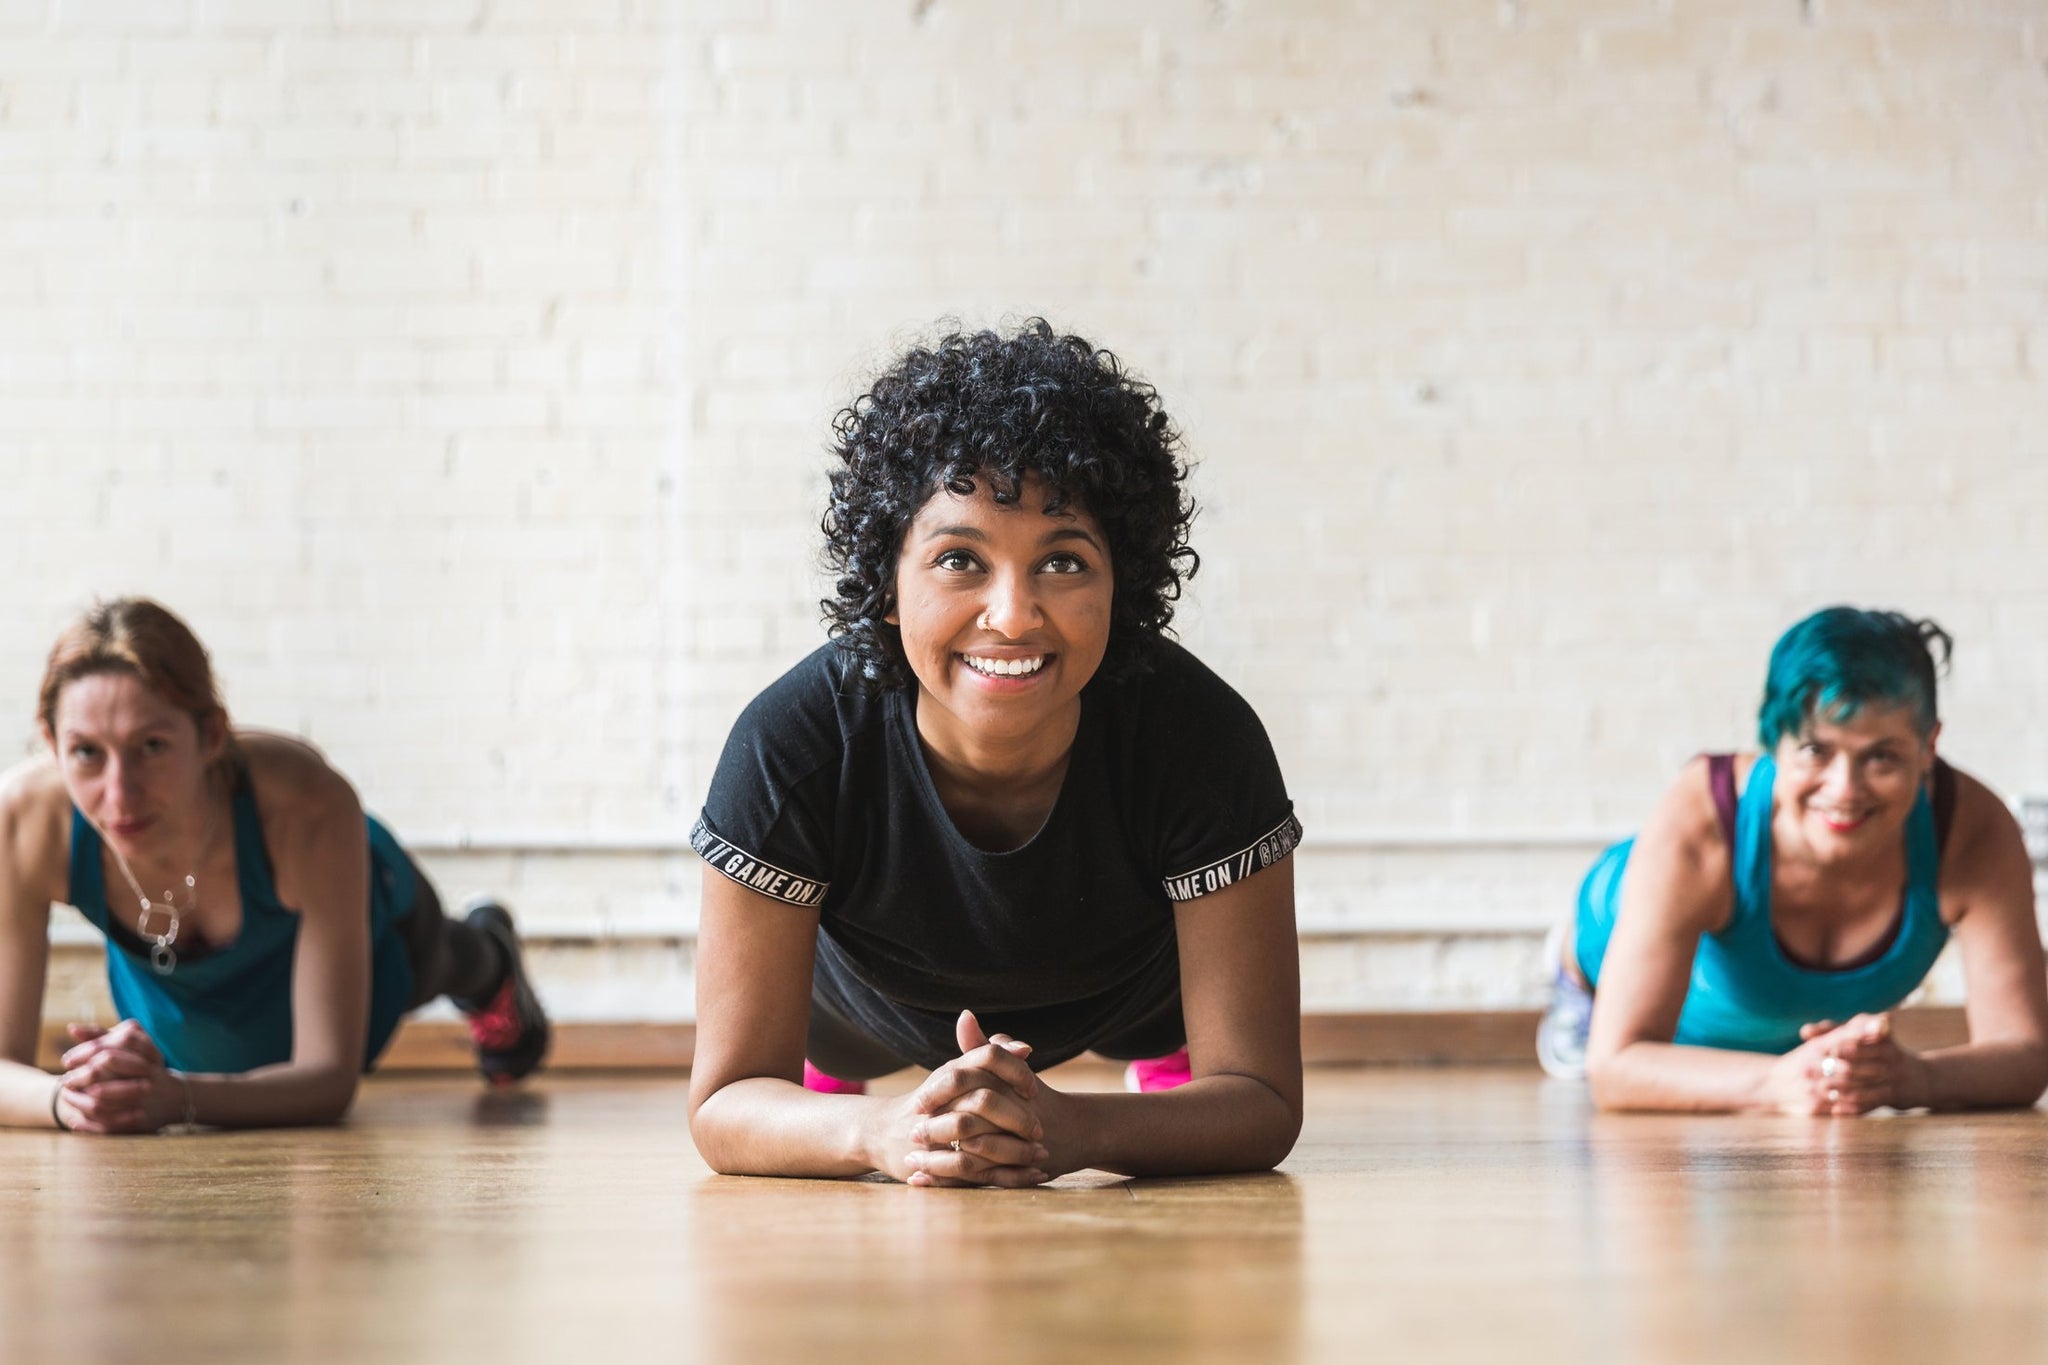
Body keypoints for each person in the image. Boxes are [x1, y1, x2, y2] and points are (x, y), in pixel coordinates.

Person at [687, 320, 1304, 1186]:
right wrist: (878, 1131)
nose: (1012, 614)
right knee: (814, 1074)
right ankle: (835, 1092)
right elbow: (723, 1104)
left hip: (1133, 996)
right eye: (958, 559)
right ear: (887, 583)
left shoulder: (1201, 739)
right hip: (859, 1006)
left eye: (1062, 561)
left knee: (1181, 1054)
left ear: (1121, 585)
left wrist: (1079, 1130)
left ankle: (1160, 1090)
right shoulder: (793, 746)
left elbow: (1264, 1099)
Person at [0, 598, 550, 1133]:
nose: (119, 795)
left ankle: (491, 960)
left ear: (211, 735)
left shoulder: (307, 803)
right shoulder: (23, 822)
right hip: (187, 1000)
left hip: (380, 928)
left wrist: (177, 1099)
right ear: (51, 743)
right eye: (87, 753)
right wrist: (68, 1099)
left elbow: (329, 1080)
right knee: (219, 1054)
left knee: (439, 959)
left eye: (152, 746)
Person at [1537, 606, 2048, 1114]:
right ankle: (1572, 976)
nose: (1845, 790)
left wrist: (1913, 1078)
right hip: (1627, 923)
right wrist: (1773, 1085)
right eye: (1814, 750)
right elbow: (1616, 1068)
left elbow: (2026, 1056)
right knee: (1621, 909)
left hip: (1776, 1029)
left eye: (1882, 757)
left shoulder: (1971, 830)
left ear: (1928, 746)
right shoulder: (1701, 821)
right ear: (1773, 744)